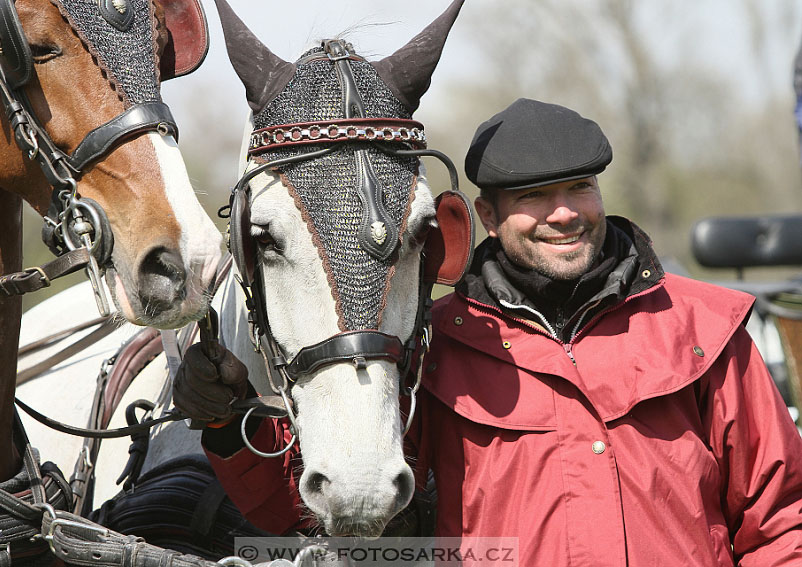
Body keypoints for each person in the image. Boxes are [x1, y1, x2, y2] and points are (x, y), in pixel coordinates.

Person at [175, 98, 802, 565]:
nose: (564, 213)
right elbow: (340, 512)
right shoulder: (435, 350)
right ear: (483, 216)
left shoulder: (704, 330)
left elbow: (782, 519)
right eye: (533, 195)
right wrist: (230, 424)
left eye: (579, 188)